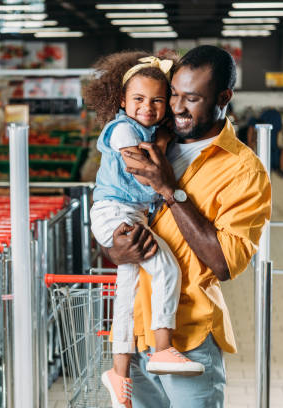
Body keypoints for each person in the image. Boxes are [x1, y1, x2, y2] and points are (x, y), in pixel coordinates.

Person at [101, 45, 272, 407]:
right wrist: (114, 249)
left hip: (187, 338)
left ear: (224, 97)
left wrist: (169, 189)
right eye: (174, 95)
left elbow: (224, 262)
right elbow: (114, 216)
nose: (177, 108)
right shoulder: (150, 140)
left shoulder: (243, 171)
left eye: (192, 98)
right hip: (135, 335)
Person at [83, 51, 205, 408]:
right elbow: (141, 166)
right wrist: (164, 146)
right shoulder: (124, 128)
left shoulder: (147, 128)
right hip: (116, 212)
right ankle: (163, 348)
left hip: (126, 213)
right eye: (138, 99)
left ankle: (118, 372)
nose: (147, 107)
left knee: (127, 292)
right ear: (122, 101)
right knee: (167, 267)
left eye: (157, 101)